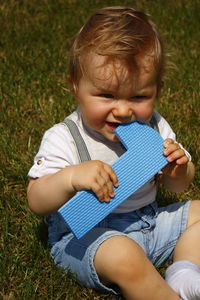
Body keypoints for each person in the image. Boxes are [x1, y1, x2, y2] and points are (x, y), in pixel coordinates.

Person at [27, 6, 200, 300]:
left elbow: (180, 185)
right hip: (88, 237)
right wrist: (70, 178)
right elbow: (36, 200)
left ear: (157, 89)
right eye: (106, 95)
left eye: (139, 96)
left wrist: (178, 170)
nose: (122, 110)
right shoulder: (65, 137)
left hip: (149, 220)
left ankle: (183, 274)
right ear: (75, 86)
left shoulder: (155, 127)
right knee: (125, 256)